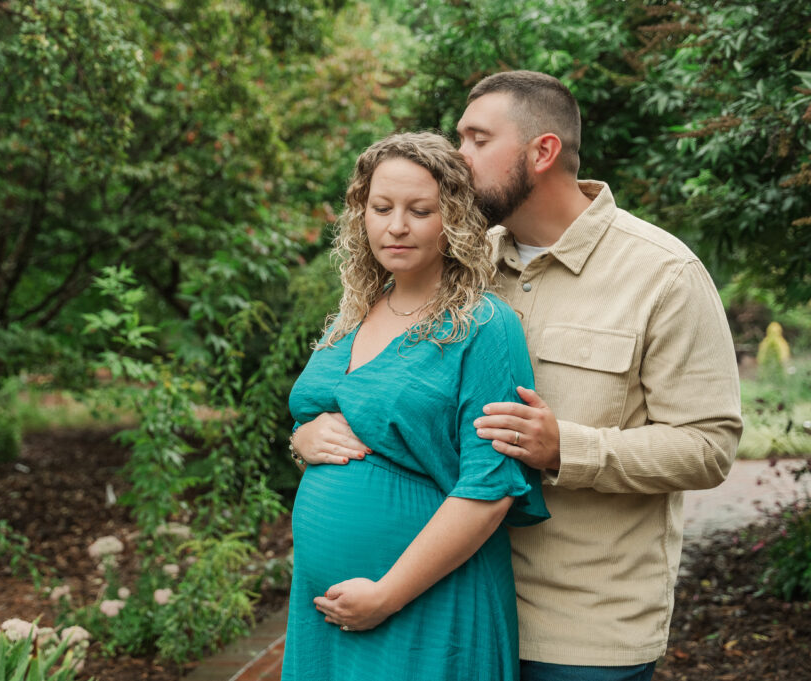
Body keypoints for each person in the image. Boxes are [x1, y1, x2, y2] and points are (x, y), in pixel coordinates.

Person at [294, 72, 744, 681]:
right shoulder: (460, 262)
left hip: (576, 625)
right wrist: (309, 434)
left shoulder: (662, 274)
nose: (458, 156)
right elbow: (391, 395)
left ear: (543, 151)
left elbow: (709, 447)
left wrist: (568, 447)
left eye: (477, 139)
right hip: (447, 593)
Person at [282, 131, 549, 681]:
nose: (396, 226)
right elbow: (328, 420)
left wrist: (385, 595)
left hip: (427, 605)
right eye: (381, 208)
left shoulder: (484, 326)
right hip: (327, 616)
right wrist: (301, 439)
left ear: (453, 219)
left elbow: (490, 489)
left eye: (419, 210)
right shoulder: (352, 313)